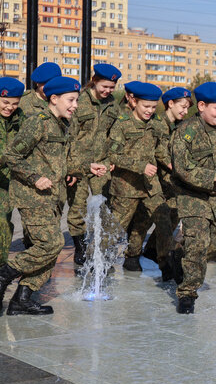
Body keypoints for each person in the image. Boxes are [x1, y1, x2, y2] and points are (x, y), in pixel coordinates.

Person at [0, 77, 94, 315]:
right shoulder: (37, 122)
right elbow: (11, 156)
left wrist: (84, 168)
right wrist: (34, 178)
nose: (75, 106)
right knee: (52, 244)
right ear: (54, 99)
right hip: (32, 195)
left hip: (52, 196)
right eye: (71, 100)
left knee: (50, 250)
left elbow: (59, 160)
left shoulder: (63, 124)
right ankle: (5, 273)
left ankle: (22, 298)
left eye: (77, 101)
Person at [170, 82, 216, 314]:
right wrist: (215, 175)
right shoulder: (185, 132)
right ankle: (187, 294)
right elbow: (182, 168)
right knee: (198, 245)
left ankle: (180, 253)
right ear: (201, 106)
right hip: (193, 197)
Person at [106, 81, 175, 278]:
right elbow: (113, 155)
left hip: (151, 185)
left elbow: (161, 150)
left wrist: (172, 165)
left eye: (154, 107)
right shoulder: (122, 123)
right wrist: (140, 166)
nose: (150, 111)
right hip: (126, 186)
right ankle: (99, 260)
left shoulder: (157, 123)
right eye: (146, 106)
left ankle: (164, 262)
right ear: (134, 101)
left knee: (162, 220)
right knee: (116, 226)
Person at [128, 87, 192, 280]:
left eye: (188, 107)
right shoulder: (157, 124)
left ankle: (157, 254)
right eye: (183, 106)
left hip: (169, 182)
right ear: (170, 104)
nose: (185, 111)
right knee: (143, 220)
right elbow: (155, 153)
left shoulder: (180, 126)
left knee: (168, 218)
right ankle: (133, 255)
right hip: (151, 180)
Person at [66, 63, 121, 269]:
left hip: (102, 164)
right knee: (77, 208)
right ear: (95, 81)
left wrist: (113, 157)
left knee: (105, 204)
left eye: (111, 87)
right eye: (104, 86)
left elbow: (115, 133)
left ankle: (99, 247)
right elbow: (69, 135)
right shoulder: (78, 101)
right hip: (80, 164)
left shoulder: (112, 104)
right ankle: (80, 248)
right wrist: (71, 167)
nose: (107, 91)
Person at [0, 78, 25, 269]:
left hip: (7, 182)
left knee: (5, 224)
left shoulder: (20, 119)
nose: (10, 108)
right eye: (5, 102)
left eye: (15, 104)